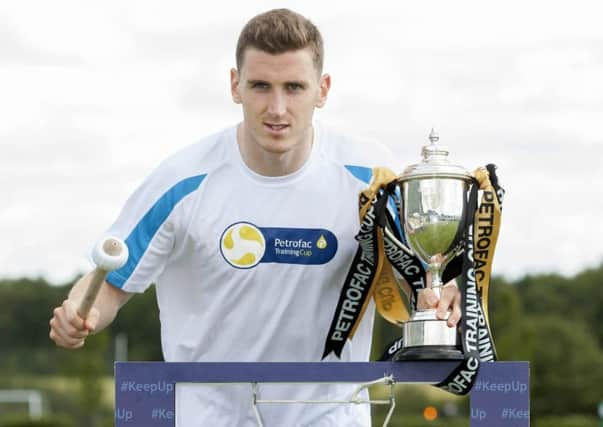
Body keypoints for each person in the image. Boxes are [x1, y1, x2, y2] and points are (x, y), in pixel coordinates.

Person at [49, 8, 461, 426]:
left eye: (294, 87)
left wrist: (438, 295)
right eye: (261, 86)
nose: (277, 108)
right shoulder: (181, 180)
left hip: (330, 418)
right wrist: (81, 314)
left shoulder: (373, 177)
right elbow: (110, 282)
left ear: (322, 89)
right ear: (235, 85)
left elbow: (419, 278)